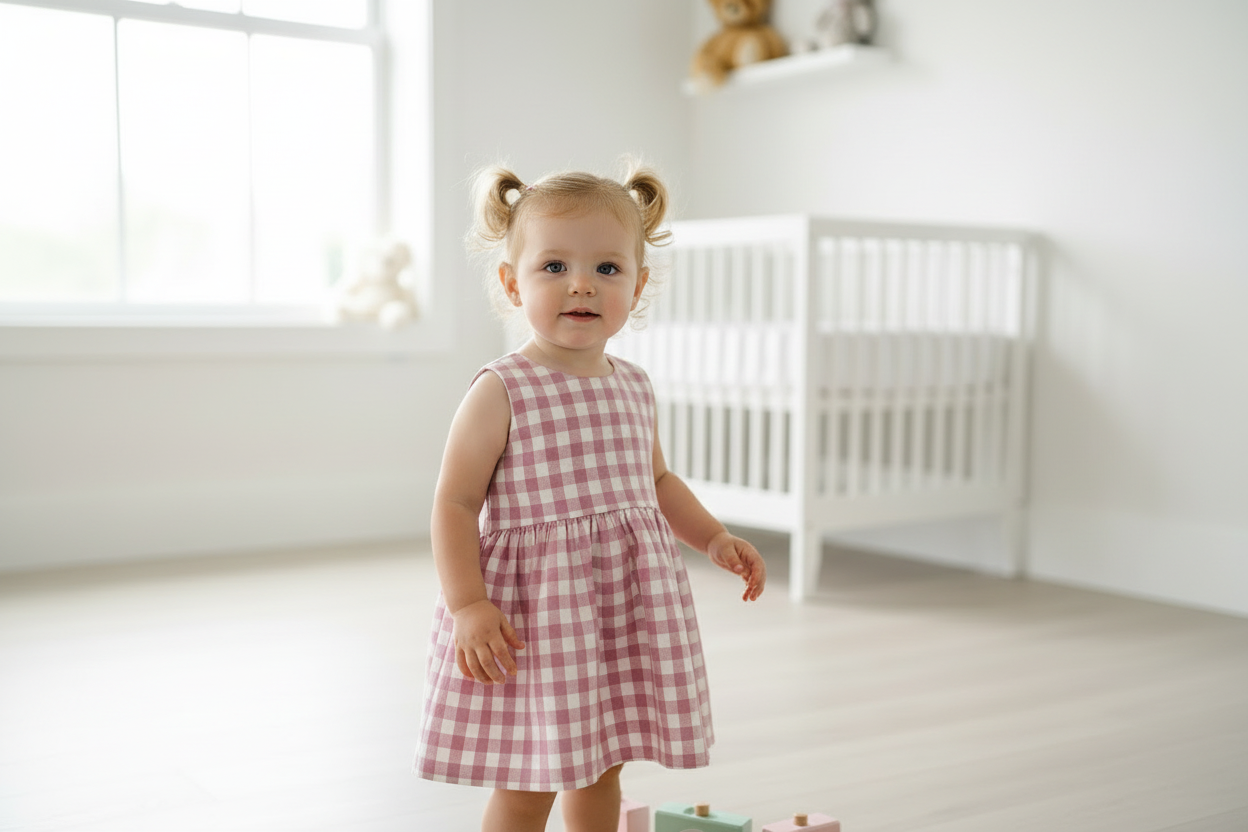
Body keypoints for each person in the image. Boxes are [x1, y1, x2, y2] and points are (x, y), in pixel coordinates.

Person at [414, 160, 766, 832]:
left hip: (613, 611)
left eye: (608, 268)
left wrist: (716, 536)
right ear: (513, 283)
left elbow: (656, 483)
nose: (582, 283)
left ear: (635, 289)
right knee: (530, 778)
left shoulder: (633, 385)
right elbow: (454, 502)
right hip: (536, 616)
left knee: (603, 766)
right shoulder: (503, 388)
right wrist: (468, 603)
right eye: (554, 267)